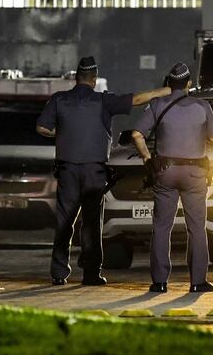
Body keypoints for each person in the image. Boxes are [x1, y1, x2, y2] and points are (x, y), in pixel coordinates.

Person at [36, 56, 170, 286]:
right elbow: (137, 99)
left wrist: (64, 134)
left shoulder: (59, 100)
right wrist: (165, 90)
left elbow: (41, 127)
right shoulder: (103, 101)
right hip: (93, 172)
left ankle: (58, 273)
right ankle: (90, 274)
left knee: (64, 221)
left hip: (67, 170)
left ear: (77, 76)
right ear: (94, 79)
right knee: (91, 223)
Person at [131, 62, 213, 293]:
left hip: (165, 171)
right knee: (196, 227)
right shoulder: (202, 106)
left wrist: (147, 158)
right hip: (195, 173)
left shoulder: (157, 104)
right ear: (189, 84)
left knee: (162, 226)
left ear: (169, 83)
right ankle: (198, 281)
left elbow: (136, 134)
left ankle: (160, 282)